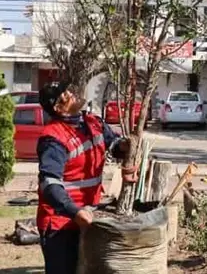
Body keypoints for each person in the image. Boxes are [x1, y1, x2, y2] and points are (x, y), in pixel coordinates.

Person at [36, 81, 137, 274]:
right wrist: (74, 211)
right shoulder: (53, 139)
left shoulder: (92, 122)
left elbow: (113, 144)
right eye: (65, 94)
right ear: (58, 108)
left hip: (89, 215)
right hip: (61, 224)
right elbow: (49, 184)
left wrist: (125, 150)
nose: (72, 93)